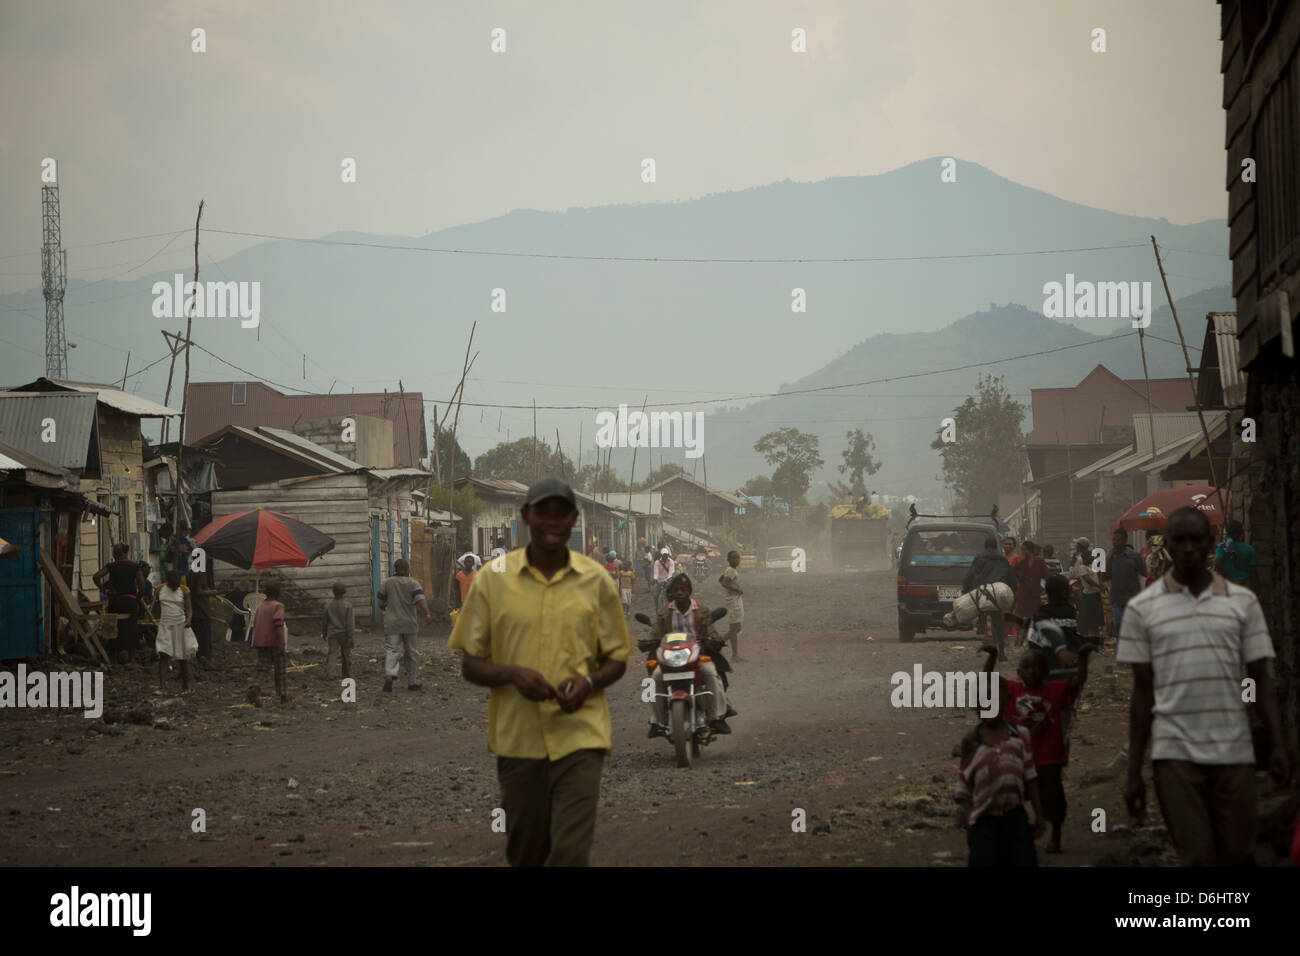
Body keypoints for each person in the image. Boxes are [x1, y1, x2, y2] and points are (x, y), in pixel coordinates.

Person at [449, 477, 631, 867]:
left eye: (561, 513)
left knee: (569, 854)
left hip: (581, 737)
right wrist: (512, 674)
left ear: (574, 519)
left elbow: (617, 658)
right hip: (519, 741)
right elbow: (470, 663)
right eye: (543, 512)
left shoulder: (596, 581)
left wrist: (589, 682)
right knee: (527, 853)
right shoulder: (492, 580)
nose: (552, 521)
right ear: (525, 516)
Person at [1119, 506, 1291, 866]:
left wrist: (1278, 745)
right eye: (1178, 540)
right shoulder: (1142, 610)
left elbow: (1260, 680)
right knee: (1197, 858)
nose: (1187, 548)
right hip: (1174, 756)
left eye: (1195, 539)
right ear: (1166, 545)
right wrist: (1133, 771)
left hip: (1234, 753)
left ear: (1211, 543)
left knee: (1239, 855)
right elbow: (1142, 693)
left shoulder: (1243, 603)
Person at [954, 668, 1044, 867]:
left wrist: (1039, 814)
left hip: (1016, 816)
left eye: (992, 701)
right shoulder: (971, 741)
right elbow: (964, 778)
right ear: (975, 706)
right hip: (983, 821)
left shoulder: (1020, 736)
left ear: (1006, 701)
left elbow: (1030, 776)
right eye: (981, 702)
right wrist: (965, 810)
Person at [642, 572, 733, 737]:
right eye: (676, 589)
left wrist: (715, 639)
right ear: (670, 593)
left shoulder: (702, 610)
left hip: (697, 657)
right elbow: (655, 632)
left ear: (689, 591)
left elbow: (711, 630)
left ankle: (717, 717)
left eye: (683, 589)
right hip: (670, 659)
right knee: (654, 679)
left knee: (712, 674)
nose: (679, 592)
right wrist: (648, 642)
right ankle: (657, 720)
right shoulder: (664, 613)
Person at [378, 558, 432, 691]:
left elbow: (380, 601)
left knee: (392, 649)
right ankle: (412, 681)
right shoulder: (413, 583)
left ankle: (390, 674)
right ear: (407, 569)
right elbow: (420, 600)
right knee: (412, 652)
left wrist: (387, 607)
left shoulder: (387, 583)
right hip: (409, 623)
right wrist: (427, 614)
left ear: (395, 569)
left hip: (392, 623)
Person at [93, 543, 146, 668]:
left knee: (112, 627)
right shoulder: (134, 566)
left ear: (115, 554)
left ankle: (113, 661)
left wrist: (103, 590)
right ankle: (132, 660)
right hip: (130, 601)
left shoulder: (112, 566)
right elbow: (142, 585)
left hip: (116, 601)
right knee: (132, 628)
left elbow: (96, 576)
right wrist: (137, 598)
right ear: (125, 553)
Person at [962, 536, 1017, 655]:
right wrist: (1013, 594)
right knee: (998, 621)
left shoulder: (979, 558)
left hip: (983, 592)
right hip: (997, 593)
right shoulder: (1003, 560)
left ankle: (983, 631)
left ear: (985, 546)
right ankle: (1001, 651)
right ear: (996, 546)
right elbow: (1011, 578)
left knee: (981, 612)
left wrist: (965, 590)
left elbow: (969, 576)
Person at [150, 569, 192, 696]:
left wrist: (189, 619)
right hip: (165, 626)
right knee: (164, 655)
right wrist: (154, 620)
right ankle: (162, 688)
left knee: (182, 657)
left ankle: (186, 687)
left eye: (177, 584)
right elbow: (155, 606)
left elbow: (189, 608)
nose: (175, 587)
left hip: (180, 625)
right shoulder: (160, 589)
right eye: (173, 584)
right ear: (168, 582)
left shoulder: (184, 590)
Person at [1102, 529, 1147, 638]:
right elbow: (1105, 577)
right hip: (1116, 598)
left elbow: (1144, 572)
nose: (1115, 542)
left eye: (1118, 540)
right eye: (1114, 540)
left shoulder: (1134, 556)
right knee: (1119, 623)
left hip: (1132, 597)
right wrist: (1108, 558)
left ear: (1125, 541)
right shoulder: (1110, 557)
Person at [251, 582, 289, 705]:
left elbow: (255, 623)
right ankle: (283, 697)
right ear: (278, 593)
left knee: (262, 669)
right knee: (280, 670)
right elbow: (278, 624)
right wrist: (281, 643)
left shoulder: (261, 606)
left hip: (261, 642)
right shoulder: (278, 606)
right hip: (274, 642)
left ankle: (255, 691)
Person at [1069, 538, 1104, 641]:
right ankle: (1085, 632)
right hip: (1079, 582)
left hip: (1082, 584)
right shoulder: (1077, 556)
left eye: (1078, 544)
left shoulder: (1083, 557)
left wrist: (1099, 584)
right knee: (1082, 609)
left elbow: (1093, 574)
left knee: (1084, 609)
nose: (1076, 546)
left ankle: (1087, 632)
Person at [1013, 541, 1047, 644]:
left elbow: (1046, 575)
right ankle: (1020, 636)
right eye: (1022, 549)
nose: (1023, 551)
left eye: (1024, 549)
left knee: (1034, 616)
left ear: (1030, 550)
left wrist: (1043, 588)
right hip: (1023, 594)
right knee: (1022, 616)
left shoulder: (1040, 561)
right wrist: (1018, 563)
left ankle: (1032, 637)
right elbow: (1014, 574)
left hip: (1035, 594)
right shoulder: (1021, 562)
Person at [322, 581, 356, 679]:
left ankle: (330, 673)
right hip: (344, 633)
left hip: (332, 633)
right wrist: (351, 636)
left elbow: (324, 621)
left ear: (333, 591)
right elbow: (350, 623)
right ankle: (347, 674)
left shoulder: (328, 605)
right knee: (346, 654)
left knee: (332, 653)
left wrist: (324, 633)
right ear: (344, 592)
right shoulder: (348, 605)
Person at [1215, 519, 1259, 590]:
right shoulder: (1249, 549)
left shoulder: (1222, 547)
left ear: (1227, 533)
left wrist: (1230, 581)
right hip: (1244, 586)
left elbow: (1218, 563)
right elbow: (1253, 572)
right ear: (1240, 533)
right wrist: (1257, 591)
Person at [718, 550, 745, 661]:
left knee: (736, 627)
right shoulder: (731, 571)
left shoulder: (729, 570)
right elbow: (724, 583)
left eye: (738, 558)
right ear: (728, 560)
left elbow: (721, 580)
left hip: (733, 599)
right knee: (735, 628)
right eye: (734, 558)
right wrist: (737, 590)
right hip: (734, 600)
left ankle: (730, 651)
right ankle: (721, 645)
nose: (737, 560)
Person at [652, 548, 675, 613]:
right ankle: (656, 609)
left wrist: (668, 579)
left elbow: (671, 572)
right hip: (660, 581)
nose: (665, 556)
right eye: (663, 555)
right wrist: (655, 579)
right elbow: (656, 572)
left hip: (668, 580)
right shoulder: (657, 562)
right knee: (655, 595)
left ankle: (672, 608)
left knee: (673, 595)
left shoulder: (671, 562)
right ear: (661, 555)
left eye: (666, 555)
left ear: (668, 555)